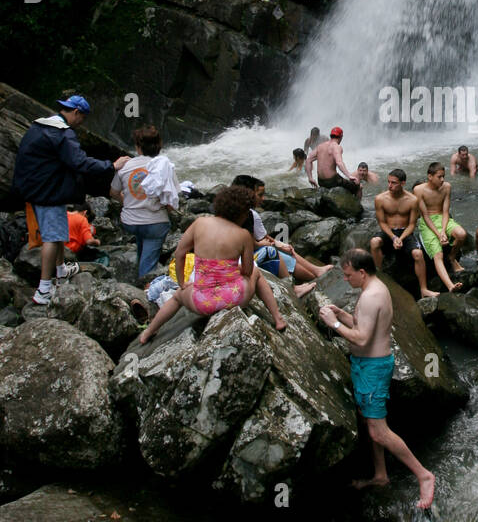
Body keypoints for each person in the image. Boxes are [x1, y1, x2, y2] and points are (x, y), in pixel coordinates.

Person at [318, 249, 435, 508]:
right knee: (369, 421)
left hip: (373, 368)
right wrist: (342, 315)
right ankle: (380, 475)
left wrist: (333, 324)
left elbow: (361, 338)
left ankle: (424, 475)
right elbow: (362, 325)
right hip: (364, 365)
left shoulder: (372, 295)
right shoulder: (372, 287)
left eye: (348, 275)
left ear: (362, 272)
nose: (345, 279)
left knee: (378, 431)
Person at [12, 94, 130, 306]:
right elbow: (80, 163)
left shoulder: (40, 126)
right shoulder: (62, 134)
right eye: (82, 118)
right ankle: (44, 289)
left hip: (36, 188)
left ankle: (60, 270)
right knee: (51, 237)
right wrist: (112, 166)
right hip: (48, 192)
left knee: (56, 232)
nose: (81, 123)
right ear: (76, 113)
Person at [139, 185, 287, 343]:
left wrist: (182, 283)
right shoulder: (243, 235)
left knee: (176, 298)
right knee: (257, 274)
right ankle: (278, 319)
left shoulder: (200, 223)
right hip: (234, 298)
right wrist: (233, 269)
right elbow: (248, 271)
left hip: (202, 302)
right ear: (243, 213)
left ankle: (148, 332)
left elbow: (180, 253)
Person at [231, 175, 333, 293]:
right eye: (259, 195)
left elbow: (258, 237)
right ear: (248, 193)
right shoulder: (245, 214)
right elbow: (246, 241)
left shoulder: (243, 213)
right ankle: (298, 286)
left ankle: (315, 273)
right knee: (274, 252)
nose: (263, 198)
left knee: (281, 249)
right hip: (238, 261)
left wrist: (276, 244)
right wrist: (270, 244)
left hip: (242, 256)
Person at [110, 125, 176, 281]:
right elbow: (171, 203)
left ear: (138, 147)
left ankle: (136, 277)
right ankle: (144, 287)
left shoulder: (125, 165)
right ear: (159, 146)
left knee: (142, 235)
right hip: (155, 224)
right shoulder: (165, 166)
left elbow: (113, 192)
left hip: (130, 221)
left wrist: (127, 202)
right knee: (150, 257)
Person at [370, 169, 430, 295]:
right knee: (374, 242)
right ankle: (378, 277)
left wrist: (401, 238)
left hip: (405, 233)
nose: (390, 186)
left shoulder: (412, 200)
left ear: (403, 183)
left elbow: (412, 224)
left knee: (418, 254)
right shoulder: (380, 199)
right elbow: (382, 223)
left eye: (394, 183)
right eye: (388, 182)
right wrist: (393, 238)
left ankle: (423, 289)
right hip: (388, 232)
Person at [413, 162, 467, 294]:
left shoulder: (447, 187)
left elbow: (445, 211)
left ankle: (452, 258)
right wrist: (438, 234)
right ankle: (450, 286)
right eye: (439, 177)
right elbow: (424, 215)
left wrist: (443, 231)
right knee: (438, 254)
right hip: (427, 223)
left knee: (461, 234)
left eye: (443, 176)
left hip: (443, 219)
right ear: (430, 176)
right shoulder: (419, 190)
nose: (442, 179)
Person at [305, 127, 359, 194]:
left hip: (320, 181)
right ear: (341, 137)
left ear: (331, 135)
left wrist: (310, 178)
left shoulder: (320, 146)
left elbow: (308, 160)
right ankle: (355, 204)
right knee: (358, 186)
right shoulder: (336, 147)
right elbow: (339, 162)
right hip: (332, 181)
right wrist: (349, 176)